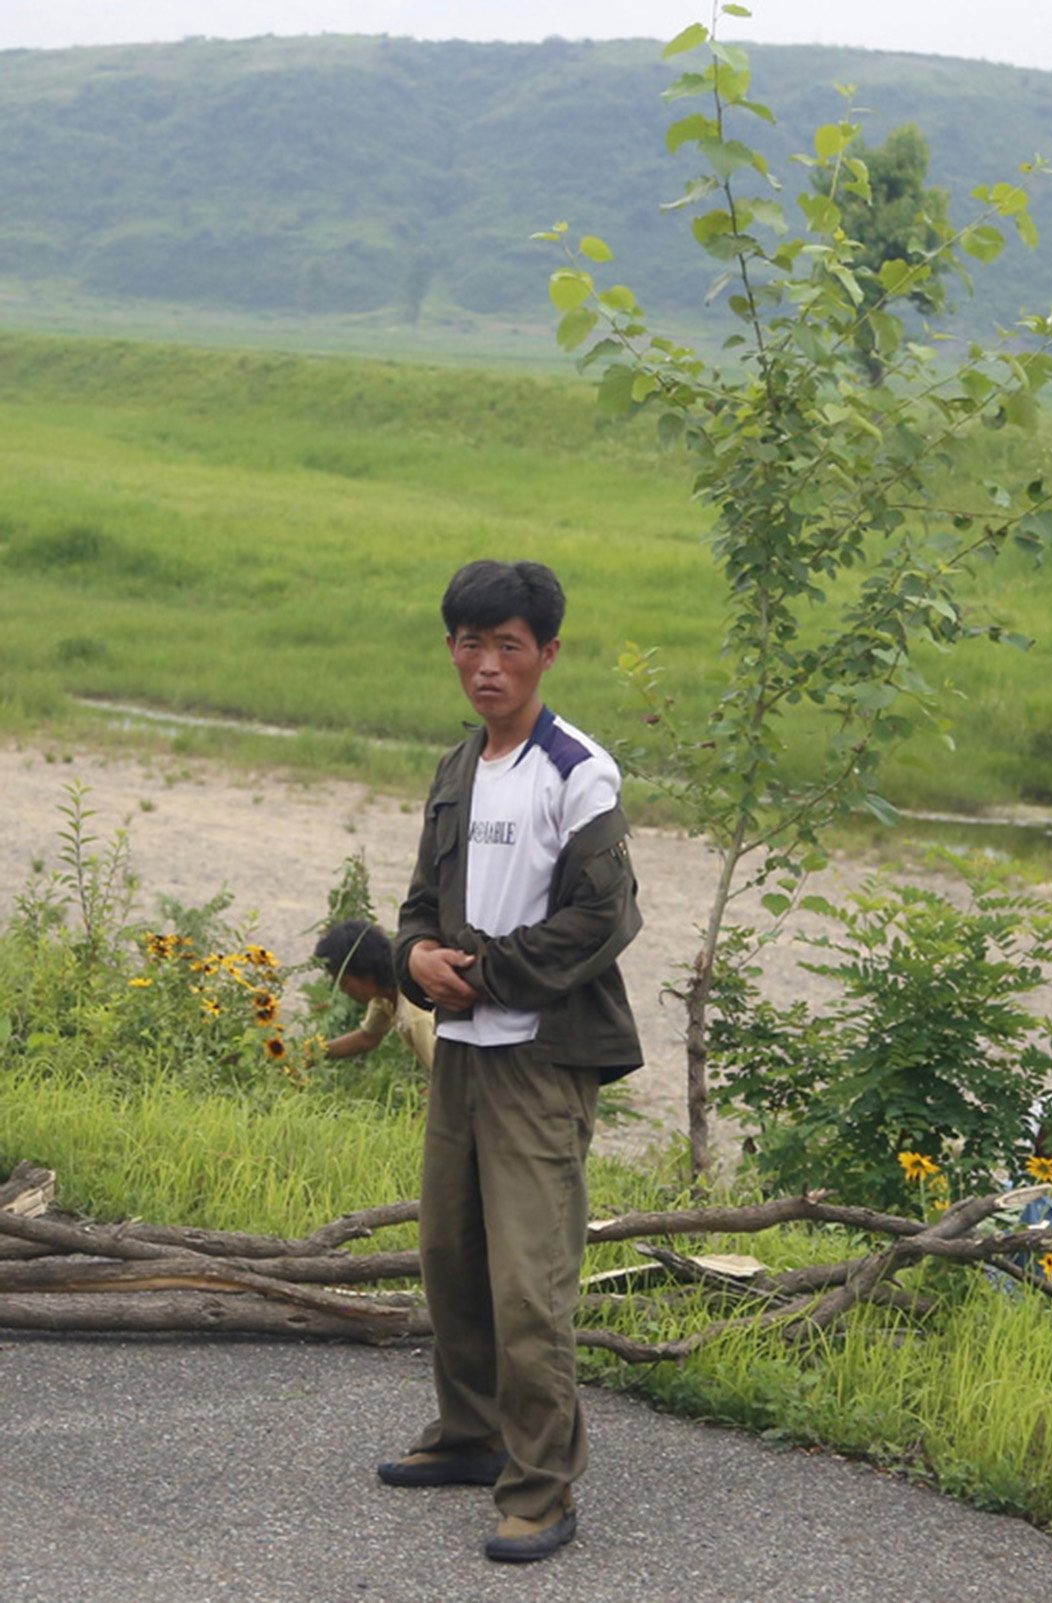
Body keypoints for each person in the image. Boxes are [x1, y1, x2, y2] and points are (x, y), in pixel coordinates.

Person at [380, 559, 644, 1566]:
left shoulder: (578, 771)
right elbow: (418, 904)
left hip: (541, 1057)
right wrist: (413, 958)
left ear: (546, 653)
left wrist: (483, 975)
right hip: (462, 1055)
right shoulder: (457, 770)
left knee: (530, 1282)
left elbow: (606, 917)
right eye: (468, 644)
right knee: (451, 1258)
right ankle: (470, 1432)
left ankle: (540, 1487)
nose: (485, 666)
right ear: (451, 648)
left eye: (507, 646)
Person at [310, 919, 436, 1071]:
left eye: (344, 982)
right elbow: (368, 1037)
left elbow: (446, 1078)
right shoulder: (384, 996)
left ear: (365, 974)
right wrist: (312, 1053)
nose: (342, 990)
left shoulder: (416, 1015)